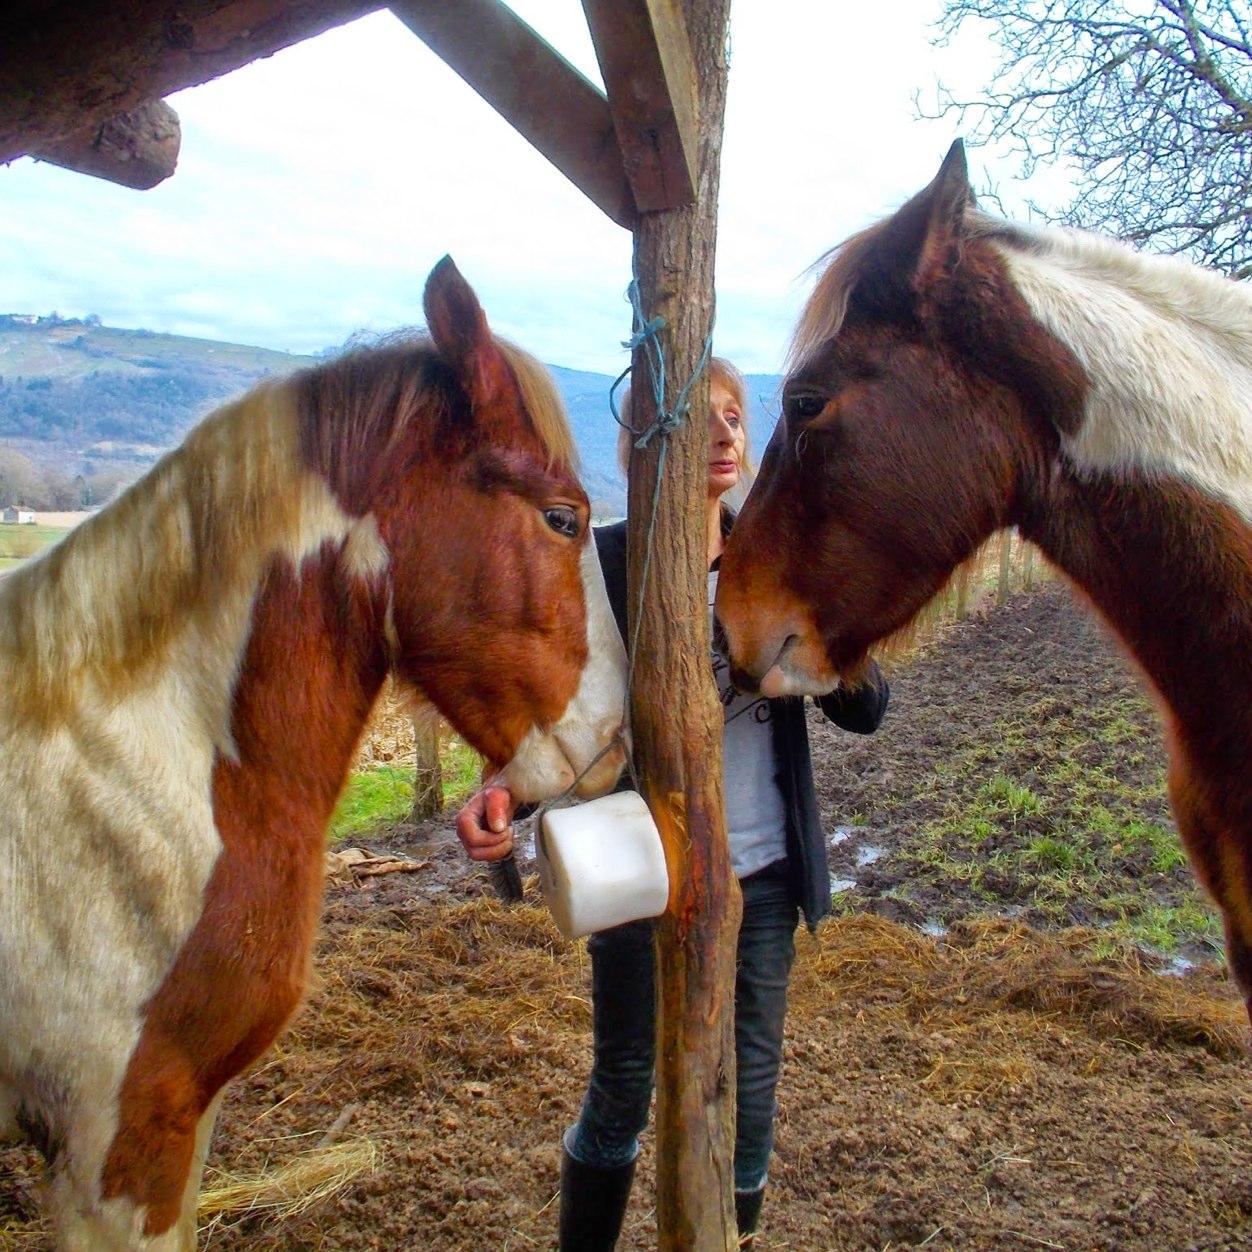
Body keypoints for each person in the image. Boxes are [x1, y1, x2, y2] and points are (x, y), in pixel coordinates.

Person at [455, 359, 889, 1250]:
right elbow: (560, 720)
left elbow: (871, 706)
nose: (726, 433)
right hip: (640, 870)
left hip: (762, 876)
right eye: (703, 417)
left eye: (736, 415)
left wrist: (812, 667)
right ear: (644, 444)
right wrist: (502, 796)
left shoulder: (779, 563)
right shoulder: (600, 568)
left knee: (749, 1092)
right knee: (623, 1081)